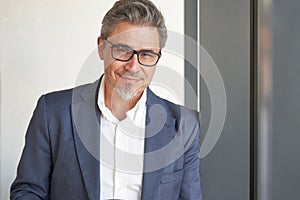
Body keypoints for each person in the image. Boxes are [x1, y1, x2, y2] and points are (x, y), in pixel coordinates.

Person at [10, 0, 202, 199]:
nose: (133, 66)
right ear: (102, 48)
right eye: (123, 50)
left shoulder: (185, 125)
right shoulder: (52, 112)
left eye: (146, 54)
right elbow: (27, 192)